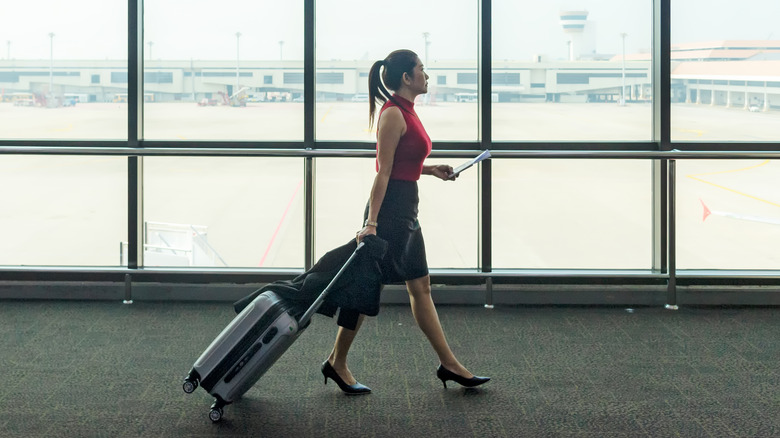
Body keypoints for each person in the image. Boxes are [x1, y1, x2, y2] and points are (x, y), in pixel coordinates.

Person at [320, 49, 490, 395]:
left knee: (417, 286)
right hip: (391, 213)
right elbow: (383, 172)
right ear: (407, 78)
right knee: (376, 288)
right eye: (422, 70)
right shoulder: (394, 115)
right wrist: (371, 223)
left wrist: (430, 169)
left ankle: (447, 363)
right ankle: (339, 362)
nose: (427, 76)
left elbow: (401, 163)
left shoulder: (407, 111)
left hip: (405, 207)